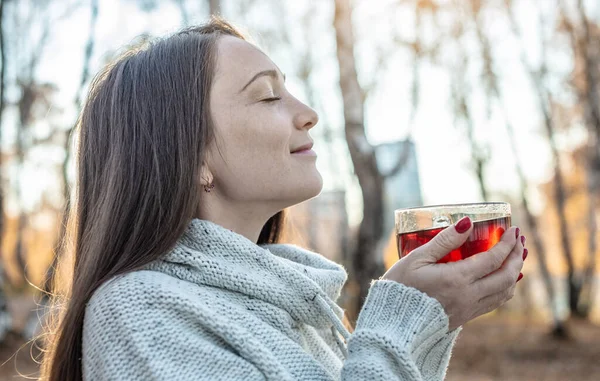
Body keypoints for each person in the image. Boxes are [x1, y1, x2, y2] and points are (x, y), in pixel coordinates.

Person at [40, 18, 526, 381]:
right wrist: (400, 322)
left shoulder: (299, 310)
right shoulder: (139, 312)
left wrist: (430, 322)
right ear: (190, 157)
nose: (309, 113)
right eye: (268, 96)